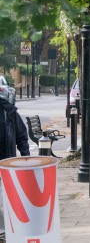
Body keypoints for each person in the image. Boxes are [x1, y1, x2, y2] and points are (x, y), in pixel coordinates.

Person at [0, 91, 30, 243]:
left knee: (3, 200)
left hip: (5, 163)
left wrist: (26, 158)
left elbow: (21, 135)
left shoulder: (8, 111)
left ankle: (4, 232)